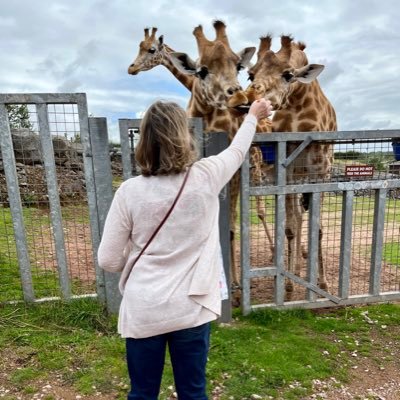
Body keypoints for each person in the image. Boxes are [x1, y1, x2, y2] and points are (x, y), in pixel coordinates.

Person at [97, 98, 272, 400]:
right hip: (191, 308)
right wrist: (253, 116)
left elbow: (109, 260)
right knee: (193, 392)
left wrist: (136, 257)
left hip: (144, 308)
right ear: (184, 135)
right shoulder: (207, 176)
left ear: (145, 139)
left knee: (142, 393)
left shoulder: (129, 192)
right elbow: (238, 150)